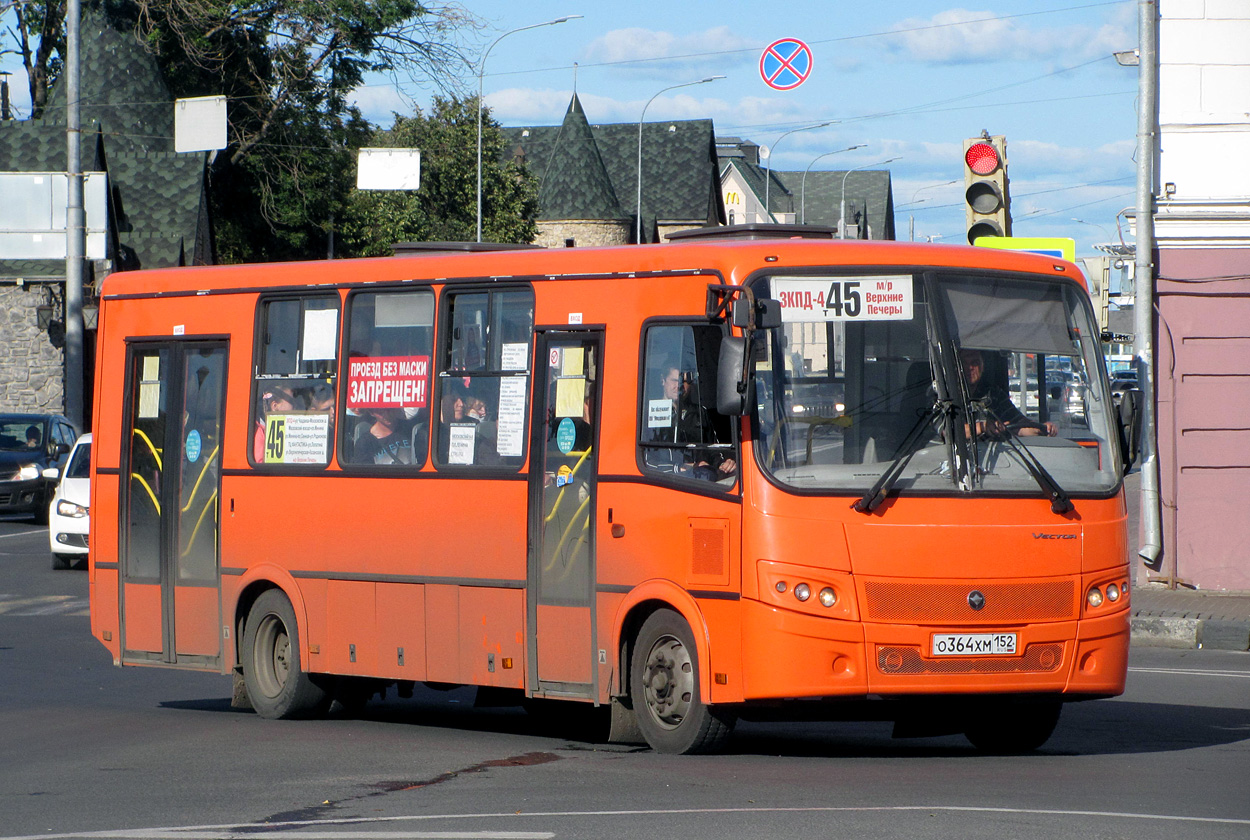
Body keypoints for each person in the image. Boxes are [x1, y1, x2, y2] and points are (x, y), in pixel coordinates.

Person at [649, 365, 736, 479]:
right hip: (667, 481)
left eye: (685, 382)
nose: (679, 386)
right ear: (662, 380)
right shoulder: (651, 413)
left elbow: (714, 449)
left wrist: (723, 464)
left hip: (702, 479)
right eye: (674, 380)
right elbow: (646, 460)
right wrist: (681, 467)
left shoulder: (700, 412)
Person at [959, 348, 1057, 438]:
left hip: (998, 454)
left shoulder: (993, 395)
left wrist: (1040, 428)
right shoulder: (949, 396)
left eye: (975, 363)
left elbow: (1018, 423)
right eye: (965, 363)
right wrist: (982, 427)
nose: (970, 367)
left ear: (982, 366)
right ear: (957, 367)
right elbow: (947, 432)